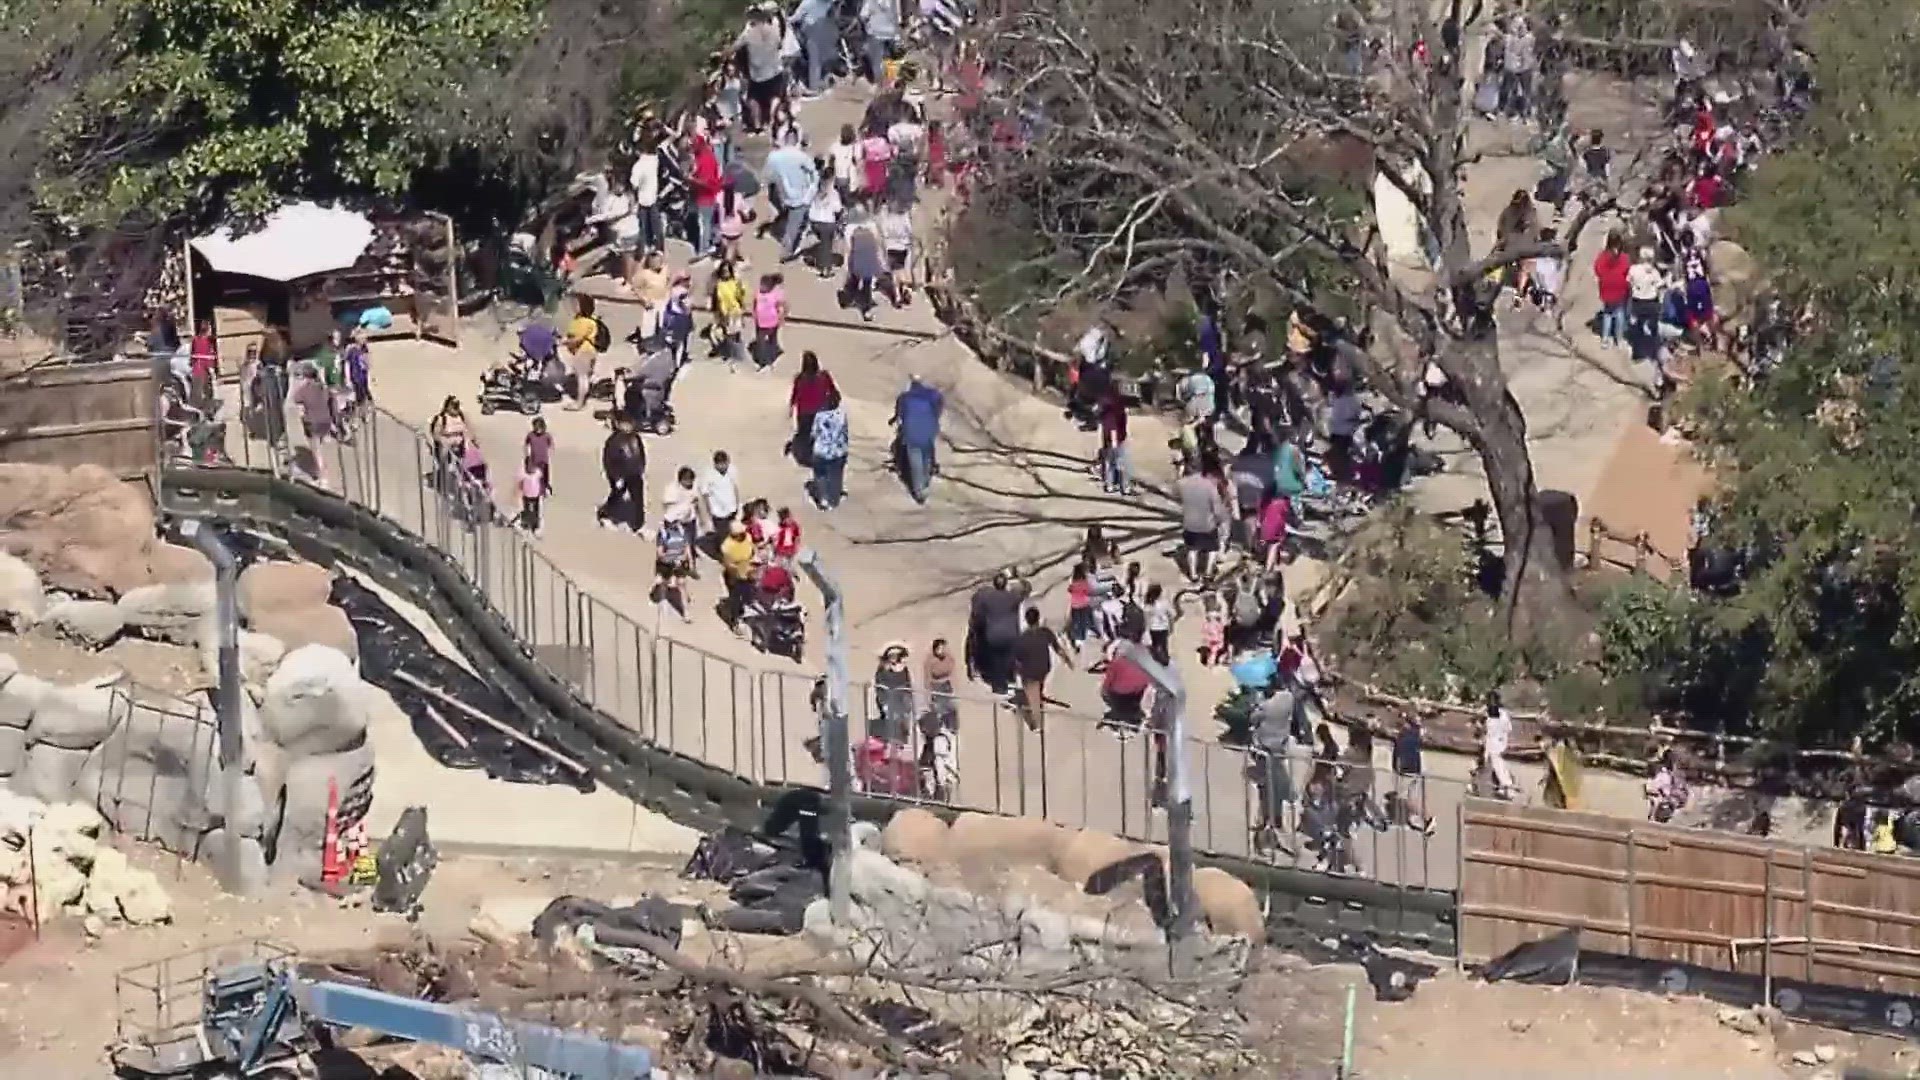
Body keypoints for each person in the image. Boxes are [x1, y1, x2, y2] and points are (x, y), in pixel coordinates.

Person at [1013, 607, 1072, 731]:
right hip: (1045, 667)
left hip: (1030, 672)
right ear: (1038, 619)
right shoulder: (1045, 632)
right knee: (1038, 685)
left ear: (1026, 620)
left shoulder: (1022, 638)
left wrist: (1017, 671)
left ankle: (1037, 723)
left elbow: (1017, 659)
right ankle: (1038, 694)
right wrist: (1067, 660)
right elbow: (1058, 648)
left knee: (1033, 698)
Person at [966, 571, 1024, 695]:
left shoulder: (986, 597)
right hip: (1011, 634)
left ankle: (999, 686)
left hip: (993, 635)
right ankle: (1010, 677)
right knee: (1008, 656)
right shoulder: (1012, 596)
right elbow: (1026, 589)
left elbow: (977, 610)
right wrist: (1018, 577)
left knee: (996, 659)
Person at [764, 132, 819, 261]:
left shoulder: (774, 157)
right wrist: (810, 193)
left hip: (782, 195)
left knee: (788, 216)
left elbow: (767, 176)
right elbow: (814, 176)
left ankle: (779, 230)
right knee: (793, 227)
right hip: (800, 198)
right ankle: (785, 252)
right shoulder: (803, 157)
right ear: (796, 141)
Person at [734, 7, 787, 134]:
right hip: (774, 70)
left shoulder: (748, 33)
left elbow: (735, 46)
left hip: (757, 75)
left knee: (753, 98)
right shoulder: (774, 28)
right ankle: (772, 116)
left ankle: (757, 124)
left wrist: (722, 54)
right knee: (776, 95)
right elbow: (780, 43)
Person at [893, 374, 943, 503]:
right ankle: (926, 483)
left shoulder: (904, 398)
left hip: (911, 433)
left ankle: (920, 492)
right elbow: (939, 405)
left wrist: (898, 420)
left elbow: (900, 414)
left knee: (916, 463)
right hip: (929, 431)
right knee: (926, 457)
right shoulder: (933, 394)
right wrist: (934, 417)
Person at [1176, 464, 1229, 582]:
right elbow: (1216, 505)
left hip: (1189, 523)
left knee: (1192, 550)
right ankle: (1208, 572)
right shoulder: (1208, 485)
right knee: (1212, 549)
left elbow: (1178, 497)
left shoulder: (1181, 484)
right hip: (1207, 524)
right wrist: (1221, 518)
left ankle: (1193, 574)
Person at [598, 413, 647, 532]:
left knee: (638, 498)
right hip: (620, 475)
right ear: (618, 425)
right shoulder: (614, 441)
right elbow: (609, 461)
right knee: (617, 495)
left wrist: (642, 467)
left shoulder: (636, 438)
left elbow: (641, 453)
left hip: (635, 473)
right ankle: (605, 515)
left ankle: (638, 525)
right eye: (625, 424)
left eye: (630, 424)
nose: (628, 427)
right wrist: (616, 477)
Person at [788, 351, 837, 466]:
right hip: (820, 409)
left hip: (804, 410)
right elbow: (832, 390)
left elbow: (795, 394)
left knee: (804, 433)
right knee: (817, 433)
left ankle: (807, 456)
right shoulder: (824, 375)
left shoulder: (800, 378)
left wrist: (792, 405)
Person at [1391, 714, 1434, 834]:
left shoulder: (1402, 737)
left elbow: (1396, 755)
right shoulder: (1415, 734)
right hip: (1416, 768)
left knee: (1409, 799)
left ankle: (1426, 818)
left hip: (1407, 769)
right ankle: (1415, 818)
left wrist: (1395, 768)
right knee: (1412, 795)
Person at [844, 202, 886, 322]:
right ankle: (866, 308)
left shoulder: (849, 228)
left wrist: (847, 264)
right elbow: (878, 242)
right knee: (867, 283)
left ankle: (850, 299)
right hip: (869, 257)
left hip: (857, 257)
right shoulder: (871, 225)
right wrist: (881, 259)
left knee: (854, 279)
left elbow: (848, 247)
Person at [810, 387, 850, 509]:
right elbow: (845, 432)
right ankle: (833, 500)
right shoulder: (842, 415)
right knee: (836, 476)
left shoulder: (819, 415)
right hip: (837, 451)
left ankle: (823, 499)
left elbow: (814, 433)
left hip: (821, 450)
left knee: (820, 475)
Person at [563, 295, 604, 410]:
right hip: (589, 350)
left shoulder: (584, 322)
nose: (574, 306)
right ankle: (586, 395)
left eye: (577, 304)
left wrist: (565, 342)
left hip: (583, 351)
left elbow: (578, 338)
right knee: (585, 375)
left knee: (582, 377)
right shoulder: (590, 320)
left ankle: (579, 403)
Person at [652, 511, 694, 623]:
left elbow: (686, 547)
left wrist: (688, 560)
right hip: (666, 563)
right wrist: (669, 559)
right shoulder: (663, 533)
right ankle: (663, 603)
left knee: (682, 584)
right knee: (663, 583)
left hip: (679, 562)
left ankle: (686, 613)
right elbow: (660, 553)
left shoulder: (682, 531)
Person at [1593, 231, 1632, 349]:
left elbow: (1597, 269)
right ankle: (1618, 339)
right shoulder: (1624, 257)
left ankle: (1605, 339)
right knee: (1620, 313)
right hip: (1620, 287)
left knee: (1607, 313)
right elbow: (1627, 270)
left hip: (1606, 287)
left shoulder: (1602, 256)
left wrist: (1605, 277)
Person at [698, 450, 743, 550]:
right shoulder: (709, 474)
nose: (723, 466)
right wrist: (709, 511)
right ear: (716, 464)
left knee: (734, 532)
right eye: (720, 464)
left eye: (725, 463)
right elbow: (705, 493)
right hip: (718, 511)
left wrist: (737, 504)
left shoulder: (732, 470)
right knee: (722, 536)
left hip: (731, 508)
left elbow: (735, 487)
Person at [719, 519, 758, 633]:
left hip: (748, 573)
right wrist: (738, 572)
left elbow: (752, 550)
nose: (742, 535)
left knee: (749, 596)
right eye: (740, 534)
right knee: (736, 599)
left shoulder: (748, 537)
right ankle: (735, 622)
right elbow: (728, 564)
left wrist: (753, 563)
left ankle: (747, 616)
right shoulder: (727, 546)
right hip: (734, 576)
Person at [710, 260, 749, 370]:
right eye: (723, 271)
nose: (725, 273)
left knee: (735, 336)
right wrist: (720, 314)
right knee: (725, 335)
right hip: (724, 313)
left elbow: (740, 297)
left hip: (735, 312)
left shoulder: (735, 283)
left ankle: (736, 356)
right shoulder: (718, 284)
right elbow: (718, 300)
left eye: (727, 271)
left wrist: (742, 311)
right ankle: (732, 356)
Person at [794, 0, 839, 95]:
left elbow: (796, 18)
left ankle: (813, 87)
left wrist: (786, 19)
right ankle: (821, 80)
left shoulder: (807, 3)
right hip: (825, 30)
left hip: (811, 32)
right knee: (821, 58)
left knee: (814, 60)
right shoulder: (827, 3)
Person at [873, 643, 915, 744]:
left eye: (896, 656)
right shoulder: (882, 670)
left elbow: (907, 687)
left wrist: (908, 703)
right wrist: (884, 704)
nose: (893, 658)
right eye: (891, 656)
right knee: (890, 729)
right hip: (889, 702)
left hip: (901, 703)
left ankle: (902, 746)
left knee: (902, 728)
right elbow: (879, 687)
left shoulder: (903, 670)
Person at [1481, 691, 1520, 799]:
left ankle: (1507, 787)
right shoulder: (1490, 713)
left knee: (1498, 764)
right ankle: (1484, 786)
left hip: (1497, 741)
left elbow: (1506, 729)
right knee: (1490, 763)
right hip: (1492, 741)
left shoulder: (1501, 714)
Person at [661, 467, 701, 572]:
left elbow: (696, 501)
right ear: (681, 480)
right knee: (673, 546)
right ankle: (671, 567)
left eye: (691, 480)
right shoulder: (672, 489)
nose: (689, 483)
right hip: (674, 522)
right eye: (687, 480)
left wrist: (696, 513)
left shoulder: (694, 487)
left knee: (691, 543)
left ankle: (691, 567)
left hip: (689, 521)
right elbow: (666, 504)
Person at [806, 166, 844, 277]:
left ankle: (819, 259)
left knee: (823, 243)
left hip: (814, 222)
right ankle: (825, 268)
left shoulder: (813, 190)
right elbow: (838, 209)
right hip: (827, 223)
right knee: (827, 244)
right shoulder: (833, 193)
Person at [1097, 384, 1132, 495]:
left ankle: (1111, 485)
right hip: (1115, 439)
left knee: (1111, 463)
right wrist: (1114, 442)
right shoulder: (1113, 408)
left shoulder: (1108, 407)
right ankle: (1123, 487)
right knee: (1120, 463)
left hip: (1113, 438)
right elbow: (1112, 427)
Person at [860, 0, 901, 85]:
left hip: (876, 33)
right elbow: (898, 15)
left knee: (877, 61)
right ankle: (891, 82)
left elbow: (863, 15)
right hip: (892, 32)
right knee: (891, 59)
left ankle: (879, 84)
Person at [752, 273, 787, 369]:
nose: (762, 287)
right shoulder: (758, 293)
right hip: (760, 322)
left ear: (770, 286)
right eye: (761, 284)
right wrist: (754, 315)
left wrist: (782, 318)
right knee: (761, 342)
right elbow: (755, 304)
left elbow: (781, 306)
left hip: (772, 322)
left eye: (764, 285)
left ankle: (771, 358)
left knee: (772, 340)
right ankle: (763, 361)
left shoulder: (775, 294)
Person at [925, 637, 958, 730]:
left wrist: (954, 690)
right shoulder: (930, 661)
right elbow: (927, 679)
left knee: (951, 710)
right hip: (936, 688)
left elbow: (953, 673)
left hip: (947, 687)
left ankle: (952, 729)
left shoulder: (949, 658)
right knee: (939, 712)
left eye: (944, 648)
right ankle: (940, 730)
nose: (942, 650)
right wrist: (929, 696)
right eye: (940, 648)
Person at [1143, 583, 1175, 665]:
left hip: (1154, 629)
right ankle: (1165, 660)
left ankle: (1157, 661)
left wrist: (1146, 632)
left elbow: (1147, 620)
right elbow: (1171, 615)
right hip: (1164, 627)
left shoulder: (1148, 604)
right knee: (1164, 645)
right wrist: (1172, 627)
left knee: (1155, 645)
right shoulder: (1165, 603)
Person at [516, 451, 546, 536]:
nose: (531, 467)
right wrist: (520, 490)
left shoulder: (537, 472)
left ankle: (535, 525)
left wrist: (542, 491)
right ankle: (525, 523)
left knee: (536, 510)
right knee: (526, 509)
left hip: (535, 494)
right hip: (526, 494)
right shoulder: (523, 473)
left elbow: (540, 482)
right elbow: (520, 483)